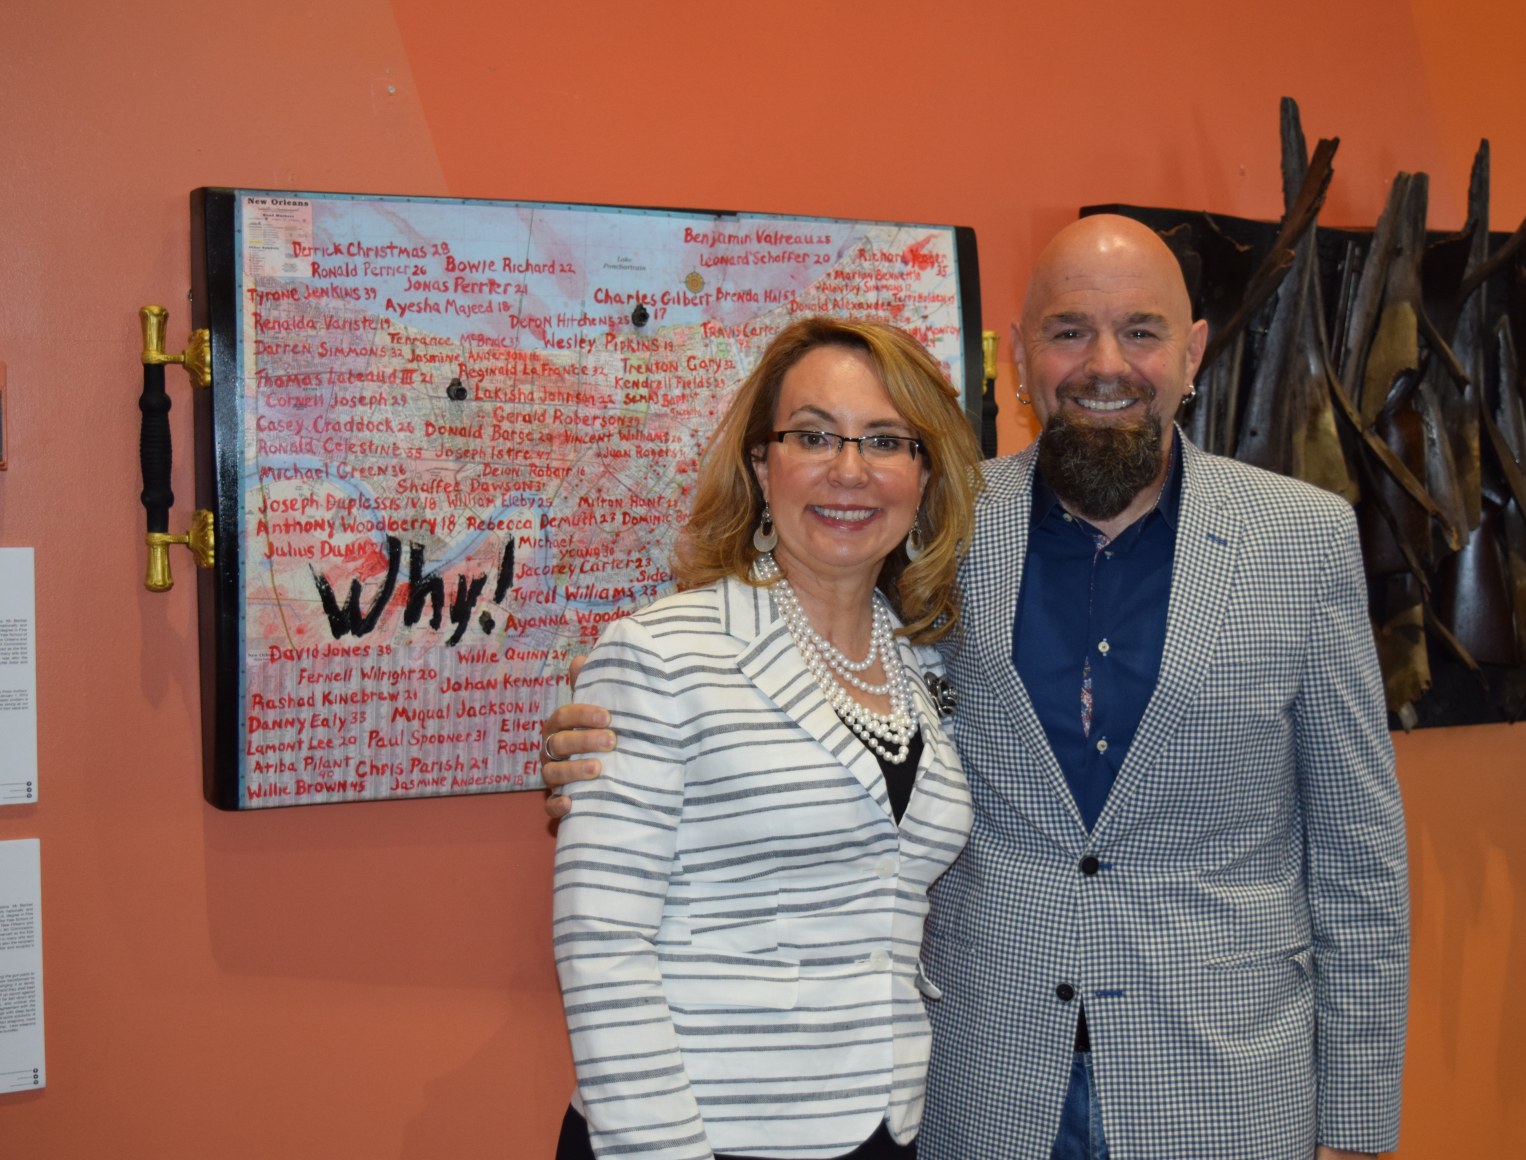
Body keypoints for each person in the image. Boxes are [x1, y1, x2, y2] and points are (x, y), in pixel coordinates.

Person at [545, 216, 1409, 1160]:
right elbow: (783, 645)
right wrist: (610, 733)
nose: (1104, 363)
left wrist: (1357, 1125)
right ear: (1025, 359)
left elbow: (1360, 854)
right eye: (1070, 330)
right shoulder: (941, 526)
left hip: (1224, 1084)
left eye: (1143, 331)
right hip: (983, 1081)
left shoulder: (1305, 540)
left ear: (1194, 351)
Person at [550, 317, 977, 1160]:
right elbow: (601, 939)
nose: (849, 471)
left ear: (923, 476)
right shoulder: (662, 652)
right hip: (702, 1131)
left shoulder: (922, 661)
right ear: (760, 462)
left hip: (884, 1123)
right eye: (813, 435)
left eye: (886, 441)